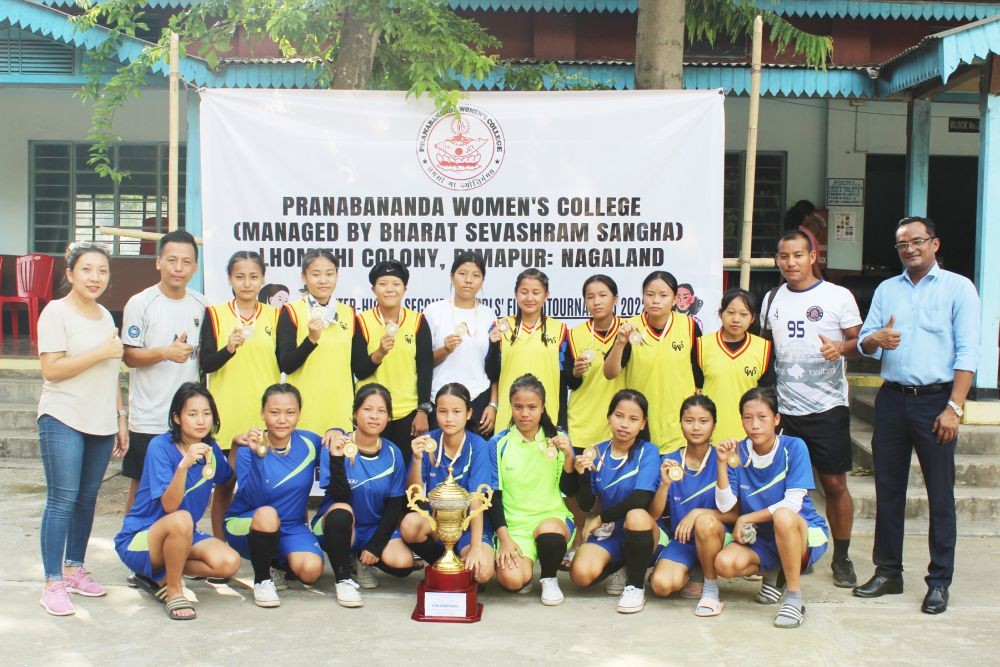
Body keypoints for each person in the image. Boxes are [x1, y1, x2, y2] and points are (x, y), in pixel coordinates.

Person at [852, 216, 981, 615]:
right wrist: (876, 339)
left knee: (940, 495)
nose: (910, 248)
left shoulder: (959, 288)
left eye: (917, 241)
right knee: (888, 489)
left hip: (936, 402)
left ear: (935, 243)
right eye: (902, 244)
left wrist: (954, 408)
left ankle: (939, 581)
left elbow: (968, 353)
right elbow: (863, 342)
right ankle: (888, 571)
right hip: (891, 400)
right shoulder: (888, 290)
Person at [760, 229, 861, 588]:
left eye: (798, 255)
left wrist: (841, 348)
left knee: (833, 484)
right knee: (782, 489)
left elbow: (860, 342)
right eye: (784, 256)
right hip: (784, 411)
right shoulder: (771, 298)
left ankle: (842, 556)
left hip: (827, 408)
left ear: (813, 256)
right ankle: (788, 551)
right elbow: (765, 351)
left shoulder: (838, 296)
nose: (791, 263)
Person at [36, 242, 128, 616]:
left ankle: (75, 569)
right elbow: (52, 370)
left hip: (100, 420)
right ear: (70, 273)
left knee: (87, 499)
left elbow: (111, 374)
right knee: (62, 499)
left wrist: (120, 417)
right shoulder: (55, 313)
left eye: (102, 271)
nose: (95, 277)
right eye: (87, 269)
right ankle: (52, 581)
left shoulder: (106, 316)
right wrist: (101, 352)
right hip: (63, 417)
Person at [114, 383, 241, 621]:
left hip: (183, 534)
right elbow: (170, 507)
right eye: (192, 414)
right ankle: (173, 590)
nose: (201, 420)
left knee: (229, 563)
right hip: (140, 537)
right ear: (177, 418)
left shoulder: (211, 449)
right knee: (182, 518)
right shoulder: (160, 447)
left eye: (206, 413)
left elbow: (228, 478)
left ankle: (153, 575)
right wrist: (184, 465)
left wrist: (235, 446)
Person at [714, 387, 830, 629]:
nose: (755, 424)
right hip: (764, 538)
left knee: (784, 517)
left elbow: (792, 503)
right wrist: (722, 464)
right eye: (748, 418)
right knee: (724, 565)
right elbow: (725, 505)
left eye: (762, 417)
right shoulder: (739, 452)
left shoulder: (794, 447)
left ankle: (794, 598)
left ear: (776, 419)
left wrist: (746, 518)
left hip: (803, 531)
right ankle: (775, 571)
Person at [120, 230, 206, 514]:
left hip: (186, 420)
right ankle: (132, 538)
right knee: (142, 485)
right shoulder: (140, 303)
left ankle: (175, 542)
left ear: (195, 266)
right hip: (149, 417)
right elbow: (129, 356)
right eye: (172, 260)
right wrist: (165, 353)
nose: (178, 268)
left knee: (183, 484)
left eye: (186, 261)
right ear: (158, 262)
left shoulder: (202, 305)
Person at [200, 251, 281, 538]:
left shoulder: (276, 315)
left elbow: (286, 362)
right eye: (240, 277)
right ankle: (220, 543)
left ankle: (264, 546)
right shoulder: (215, 314)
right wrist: (229, 349)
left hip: (265, 417)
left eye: (253, 277)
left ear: (263, 279)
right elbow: (205, 363)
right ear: (229, 279)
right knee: (224, 483)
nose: (247, 283)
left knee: (267, 484)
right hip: (227, 411)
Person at [312, 384, 413, 607]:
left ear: (389, 417)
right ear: (355, 413)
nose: (374, 416)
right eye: (368, 409)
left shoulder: (394, 452)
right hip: (338, 524)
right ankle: (343, 578)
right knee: (342, 512)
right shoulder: (335, 444)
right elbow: (339, 496)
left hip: (373, 528)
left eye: (381, 411)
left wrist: (375, 545)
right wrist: (337, 459)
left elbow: (395, 504)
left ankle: (362, 560)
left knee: (403, 564)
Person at [225, 384, 324, 608]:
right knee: (268, 514)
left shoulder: (309, 443)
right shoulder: (247, 449)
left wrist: (336, 430)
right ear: (262, 413)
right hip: (249, 522)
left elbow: (335, 443)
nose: (282, 420)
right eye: (274, 412)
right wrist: (258, 455)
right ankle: (262, 580)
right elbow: (254, 499)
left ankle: (276, 563)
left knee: (311, 571)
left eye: (290, 412)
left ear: (299, 414)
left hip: (291, 526)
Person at [569, 390, 661, 614]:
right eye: (619, 416)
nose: (624, 424)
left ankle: (635, 586)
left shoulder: (647, 451)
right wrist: (583, 475)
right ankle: (621, 566)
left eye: (633, 419)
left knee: (636, 514)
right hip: (610, 532)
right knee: (580, 574)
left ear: (642, 423)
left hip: (642, 530)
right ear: (609, 416)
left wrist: (599, 518)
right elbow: (586, 504)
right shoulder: (596, 452)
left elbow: (641, 499)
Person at [488, 374, 576, 606]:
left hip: (551, 518)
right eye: (518, 407)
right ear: (511, 407)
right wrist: (505, 539)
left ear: (543, 407)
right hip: (515, 527)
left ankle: (549, 577)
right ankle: (525, 570)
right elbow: (494, 497)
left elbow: (571, 489)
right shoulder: (498, 444)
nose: (525, 413)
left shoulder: (557, 440)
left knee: (549, 531)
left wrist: (569, 456)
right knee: (511, 579)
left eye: (532, 407)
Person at [649, 395, 736, 617]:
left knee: (705, 523)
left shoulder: (723, 458)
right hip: (683, 540)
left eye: (703, 421)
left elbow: (734, 514)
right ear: (680, 423)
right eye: (689, 420)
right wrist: (664, 486)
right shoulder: (669, 460)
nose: (696, 427)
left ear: (714, 424)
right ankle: (692, 569)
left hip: (717, 537)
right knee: (661, 585)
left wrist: (697, 514)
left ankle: (710, 588)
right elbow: (654, 514)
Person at [401, 383, 495, 584]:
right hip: (438, 523)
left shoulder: (478, 445)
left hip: (470, 525)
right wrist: (417, 460)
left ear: (468, 413)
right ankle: (444, 563)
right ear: (436, 413)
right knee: (410, 525)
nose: (449, 418)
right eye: (443, 411)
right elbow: (413, 492)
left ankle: (463, 559)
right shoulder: (428, 442)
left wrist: (476, 548)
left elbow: (477, 500)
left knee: (483, 572)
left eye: (456, 411)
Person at [603, 270, 702, 452]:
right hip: (639, 424)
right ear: (642, 297)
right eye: (650, 294)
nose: (655, 300)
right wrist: (619, 343)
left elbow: (700, 371)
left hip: (677, 424)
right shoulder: (630, 327)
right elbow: (609, 373)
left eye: (663, 295)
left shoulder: (689, 326)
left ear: (674, 300)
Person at [564, 275, 626, 561]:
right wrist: (575, 372)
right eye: (590, 296)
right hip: (581, 421)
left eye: (603, 295)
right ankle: (579, 536)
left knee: (609, 488)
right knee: (577, 490)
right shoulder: (574, 334)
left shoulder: (629, 331)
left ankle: (605, 540)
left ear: (615, 298)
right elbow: (568, 380)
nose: (596, 301)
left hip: (616, 424)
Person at [353, 260, 433, 464]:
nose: (390, 289)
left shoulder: (417, 321)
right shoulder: (361, 321)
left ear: (404, 289)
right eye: (383, 284)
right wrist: (379, 353)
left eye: (396, 284)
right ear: (373, 289)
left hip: (407, 413)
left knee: (404, 475)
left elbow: (425, 367)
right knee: (370, 471)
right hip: (371, 412)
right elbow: (359, 370)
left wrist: (422, 410)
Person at [277, 249, 355, 435]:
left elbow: (353, 366)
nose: (323, 280)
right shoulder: (292, 311)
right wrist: (311, 340)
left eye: (329, 274)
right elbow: (286, 364)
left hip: (340, 410)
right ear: (304, 277)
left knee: (338, 463)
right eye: (315, 274)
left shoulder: (348, 312)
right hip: (305, 410)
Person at [421, 252, 498, 436]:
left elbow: (495, 366)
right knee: (438, 459)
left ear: (482, 280)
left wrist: (493, 404)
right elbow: (422, 364)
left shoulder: (489, 314)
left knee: (476, 459)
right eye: (462, 273)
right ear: (451, 276)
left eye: (476, 275)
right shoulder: (434, 311)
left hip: (479, 398)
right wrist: (445, 350)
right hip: (440, 400)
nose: (469, 280)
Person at [487, 269, 568, 432]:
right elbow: (491, 373)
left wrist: (561, 419)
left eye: (536, 292)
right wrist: (494, 347)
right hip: (509, 413)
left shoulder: (560, 329)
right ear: (516, 294)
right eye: (524, 292)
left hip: (547, 414)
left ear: (546, 295)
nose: (529, 298)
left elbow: (564, 378)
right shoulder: (501, 326)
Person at [696, 288, 775, 442]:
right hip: (709, 433)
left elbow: (766, 395)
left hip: (749, 434)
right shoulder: (701, 345)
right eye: (730, 312)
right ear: (720, 314)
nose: (736, 319)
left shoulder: (763, 348)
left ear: (752, 318)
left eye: (744, 314)